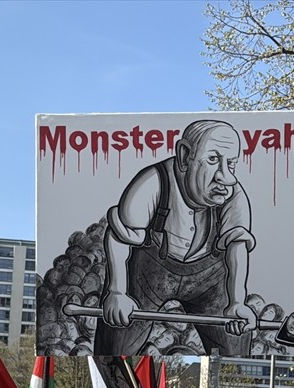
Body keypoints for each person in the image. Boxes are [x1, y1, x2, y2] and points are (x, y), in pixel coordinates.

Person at [94, 119, 257, 356]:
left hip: (209, 282)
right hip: (148, 276)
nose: (226, 177)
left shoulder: (232, 195)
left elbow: (237, 248)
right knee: (117, 340)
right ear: (184, 155)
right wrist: (117, 292)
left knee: (236, 337)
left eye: (231, 164)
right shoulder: (152, 182)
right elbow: (119, 238)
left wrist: (238, 302)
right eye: (213, 160)